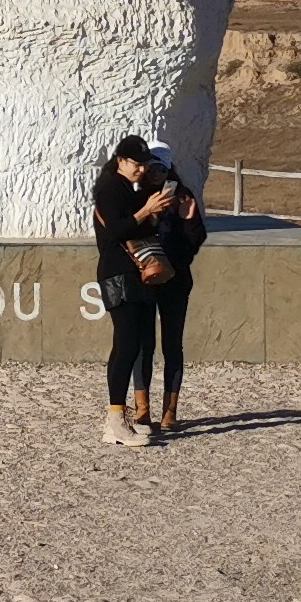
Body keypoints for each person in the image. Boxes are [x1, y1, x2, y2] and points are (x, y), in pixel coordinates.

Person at [91, 132, 205, 445]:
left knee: (136, 345)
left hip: (142, 277)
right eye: (137, 164)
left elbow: (148, 231)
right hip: (120, 275)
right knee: (128, 347)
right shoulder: (112, 189)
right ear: (120, 161)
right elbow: (116, 230)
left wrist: (168, 216)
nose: (143, 170)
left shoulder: (130, 189)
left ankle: (122, 418)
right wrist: (146, 211)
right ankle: (119, 417)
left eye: (147, 165)